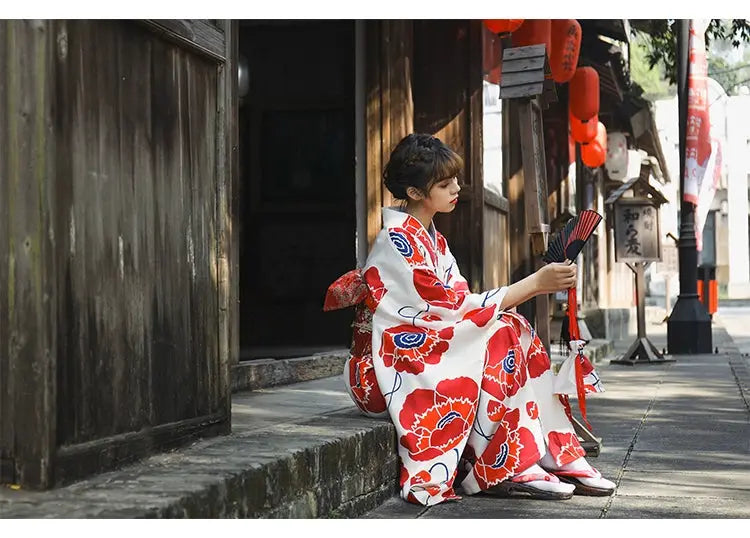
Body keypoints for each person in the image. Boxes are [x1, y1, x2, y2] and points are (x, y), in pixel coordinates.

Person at [324, 133, 615, 506]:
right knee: (499, 334)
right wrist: (532, 285)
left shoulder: (434, 241)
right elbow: (453, 310)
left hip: (422, 346)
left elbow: (461, 304)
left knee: (513, 327)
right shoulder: (396, 241)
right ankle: (507, 464)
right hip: (389, 367)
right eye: (445, 184)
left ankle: (549, 449)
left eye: (455, 180)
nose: (456, 189)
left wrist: (524, 292)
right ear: (414, 193)